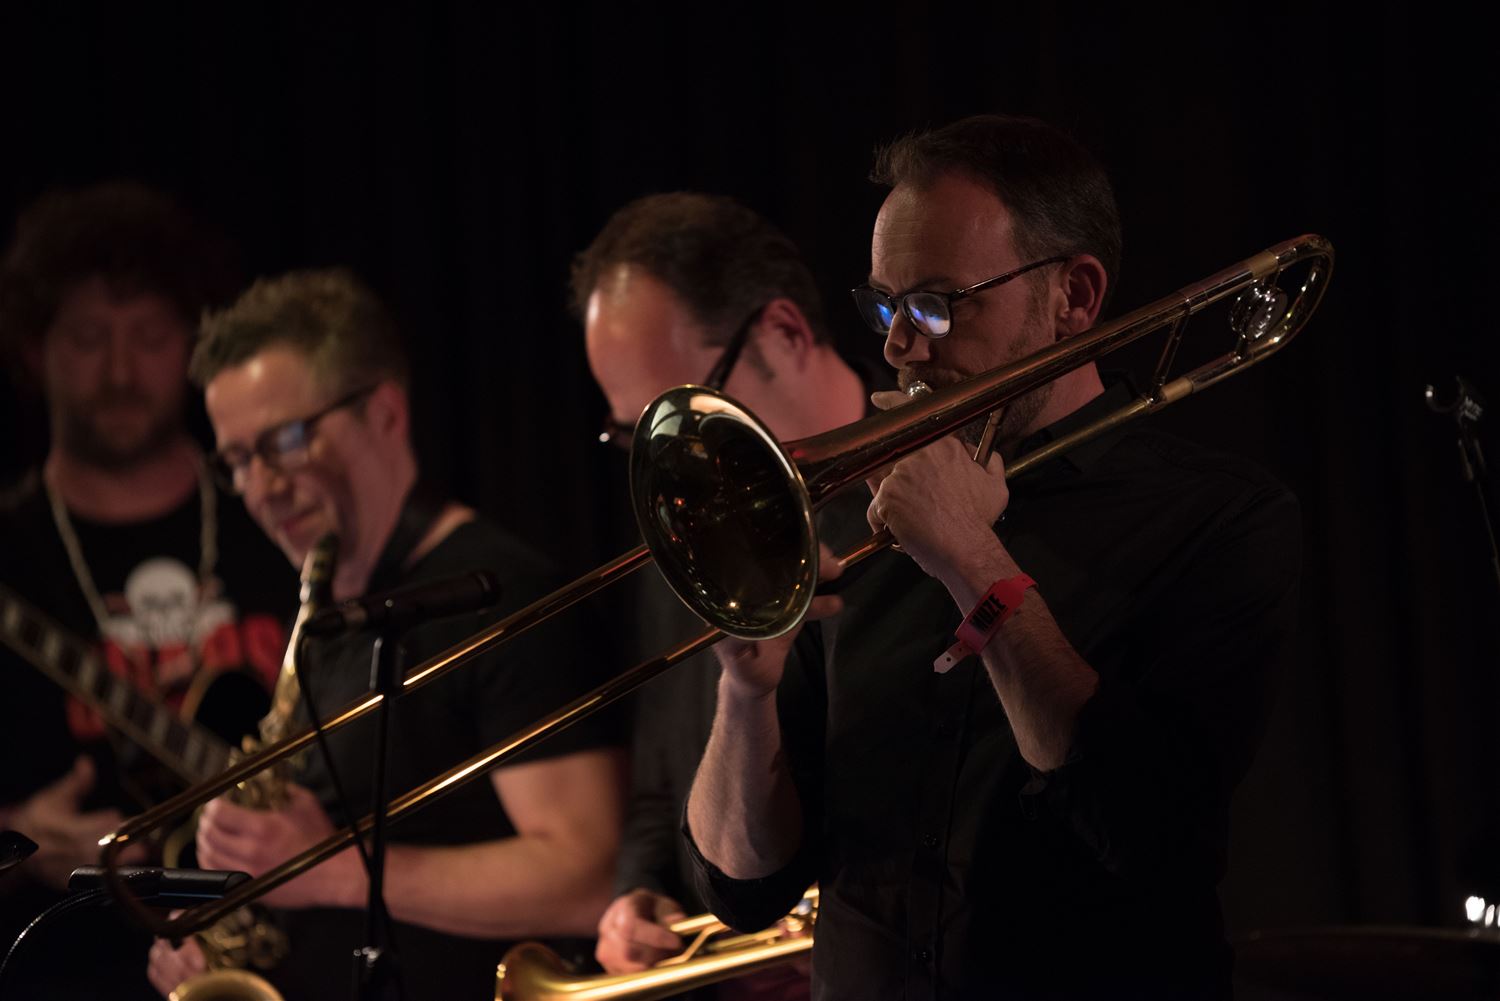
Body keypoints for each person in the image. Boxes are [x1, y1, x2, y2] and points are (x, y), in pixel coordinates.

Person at [684, 115, 1302, 1000]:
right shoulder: (853, 520)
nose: (899, 346)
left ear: (1073, 296)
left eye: (937, 304)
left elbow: (1149, 834)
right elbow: (745, 888)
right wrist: (745, 697)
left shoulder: (1222, 517)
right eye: (885, 307)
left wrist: (972, 556)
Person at [144, 269, 625, 999]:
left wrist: (332, 868)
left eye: (286, 440)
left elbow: (589, 874)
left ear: (385, 414)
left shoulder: (502, 593)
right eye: (237, 460)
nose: (261, 487)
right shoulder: (330, 610)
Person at [574, 192, 877, 993]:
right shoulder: (687, 520)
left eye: (684, 410)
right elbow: (659, 776)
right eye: (636, 432)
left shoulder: (928, 501)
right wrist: (637, 890)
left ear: (784, 332)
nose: (669, 458)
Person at [0, 182, 294, 1000]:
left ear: (195, 343)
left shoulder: (280, 519)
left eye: (152, 336)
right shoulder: (13, 550)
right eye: (89, 338)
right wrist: (17, 837)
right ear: (35, 349)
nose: (121, 372)